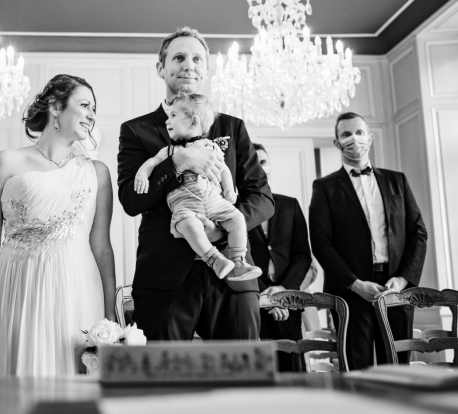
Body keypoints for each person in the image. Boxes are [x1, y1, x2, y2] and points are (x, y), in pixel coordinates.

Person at [117, 27, 274, 342]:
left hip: (233, 276)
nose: (188, 64)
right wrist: (178, 162)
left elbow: (263, 198)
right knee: (164, 380)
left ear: (206, 70)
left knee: (242, 377)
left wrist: (220, 227)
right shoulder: (136, 131)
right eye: (179, 57)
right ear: (161, 68)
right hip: (164, 278)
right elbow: (131, 201)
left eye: (197, 59)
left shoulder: (232, 127)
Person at [0, 74, 117, 377]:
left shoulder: (97, 173)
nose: (91, 114)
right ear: (55, 106)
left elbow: (101, 247)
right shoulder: (6, 162)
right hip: (16, 285)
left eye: (94, 109)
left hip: (77, 285)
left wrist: (110, 315)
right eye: (85, 104)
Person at [309, 112, 427, 370]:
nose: (354, 139)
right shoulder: (324, 187)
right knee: (356, 369)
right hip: (350, 294)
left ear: (370, 138)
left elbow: (418, 232)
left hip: (395, 289)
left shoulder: (398, 180)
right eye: (346, 134)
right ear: (337, 143)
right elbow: (320, 242)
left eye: (359, 132)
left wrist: (403, 279)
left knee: (398, 368)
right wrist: (354, 284)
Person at [135, 92, 261, 281]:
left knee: (237, 219)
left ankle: (238, 261)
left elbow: (224, 168)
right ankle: (215, 259)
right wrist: (141, 174)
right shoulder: (170, 150)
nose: (167, 121)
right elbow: (152, 163)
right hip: (185, 204)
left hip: (214, 200)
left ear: (193, 122)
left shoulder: (212, 147)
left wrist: (228, 188)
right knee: (188, 225)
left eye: (173, 116)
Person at [250, 143, 312, 372]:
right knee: (258, 371)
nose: (260, 167)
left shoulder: (290, 205)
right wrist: (265, 296)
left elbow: (303, 256)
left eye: (264, 161)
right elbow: (236, 258)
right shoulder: (234, 208)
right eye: (254, 162)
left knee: (292, 369)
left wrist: (283, 291)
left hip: (289, 302)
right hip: (252, 301)